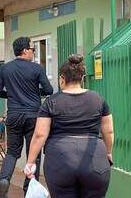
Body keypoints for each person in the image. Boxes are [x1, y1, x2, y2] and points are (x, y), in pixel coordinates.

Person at [24, 54, 114, 198]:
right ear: (82, 78)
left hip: (60, 161)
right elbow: (108, 131)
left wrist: (30, 162)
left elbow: (40, 134)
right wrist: (108, 152)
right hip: (95, 159)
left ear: (62, 79)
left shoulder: (51, 102)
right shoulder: (98, 100)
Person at [0, 36, 53, 197]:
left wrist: (12, 95)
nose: (34, 52)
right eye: (32, 49)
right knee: (34, 152)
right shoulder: (36, 68)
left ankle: (4, 180)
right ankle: (29, 188)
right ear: (25, 50)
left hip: (13, 115)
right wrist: (34, 93)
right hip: (34, 116)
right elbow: (49, 90)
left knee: (12, 152)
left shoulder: (5, 69)